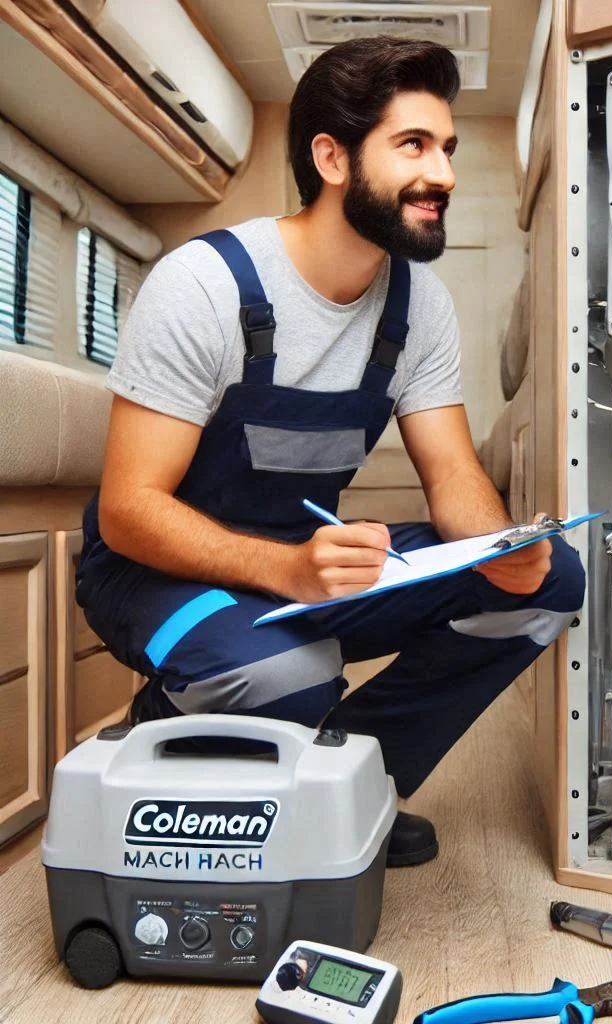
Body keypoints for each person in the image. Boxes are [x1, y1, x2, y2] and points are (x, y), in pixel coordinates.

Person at [75, 37, 586, 868]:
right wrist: (287, 574)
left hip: (300, 565)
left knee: (554, 582)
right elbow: (130, 512)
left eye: (447, 148)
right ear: (333, 157)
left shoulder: (420, 307)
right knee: (294, 670)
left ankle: (355, 789)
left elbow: (453, 475)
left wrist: (504, 551)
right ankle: (164, 718)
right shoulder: (204, 285)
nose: (445, 174)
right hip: (154, 572)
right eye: (413, 146)